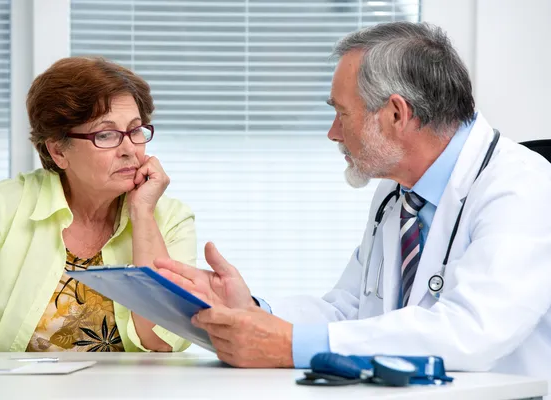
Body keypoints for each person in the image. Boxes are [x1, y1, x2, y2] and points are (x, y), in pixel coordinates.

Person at [154, 20, 551, 383]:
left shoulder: (521, 188)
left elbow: (471, 332)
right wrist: (254, 311)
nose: (332, 133)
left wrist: (291, 345)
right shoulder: (396, 194)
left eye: (342, 114)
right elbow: (351, 310)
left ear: (396, 113)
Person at [0, 56, 196, 353]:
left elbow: (162, 340)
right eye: (106, 134)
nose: (129, 149)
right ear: (58, 150)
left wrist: (143, 215)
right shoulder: (2, 206)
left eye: (135, 130)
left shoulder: (170, 217)